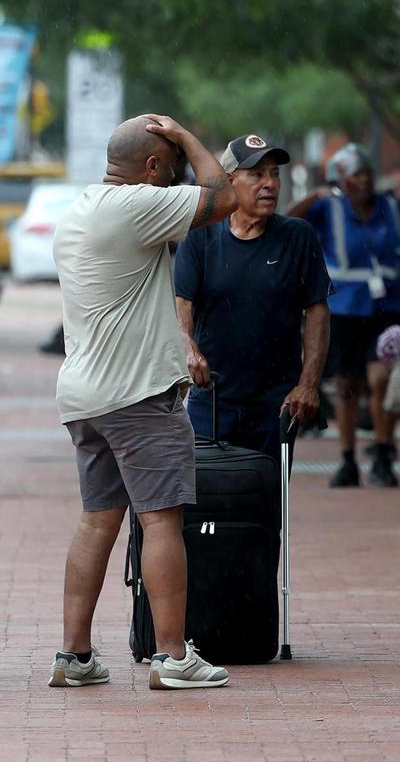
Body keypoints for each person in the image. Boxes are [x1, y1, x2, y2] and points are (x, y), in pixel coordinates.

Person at [49, 114, 235, 689]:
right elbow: (223, 196)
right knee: (161, 521)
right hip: (136, 395)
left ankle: (74, 658)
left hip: (85, 396)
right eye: (170, 164)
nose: (176, 171)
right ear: (152, 167)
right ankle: (174, 658)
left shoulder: (81, 208)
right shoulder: (136, 207)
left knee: (97, 522)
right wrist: (182, 134)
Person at [174, 134, 331, 464]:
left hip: (275, 405)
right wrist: (187, 346)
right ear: (230, 181)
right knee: (207, 506)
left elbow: (317, 310)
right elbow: (181, 301)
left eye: (274, 174)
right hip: (212, 400)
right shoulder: (201, 235)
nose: (270, 184)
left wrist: (308, 385)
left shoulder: (298, 237)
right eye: (257, 174)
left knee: (269, 507)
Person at [288, 144, 400, 488]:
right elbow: (288, 221)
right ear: (342, 180)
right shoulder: (328, 209)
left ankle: (382, 452)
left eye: (366, 173)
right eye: (355, 175)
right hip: (344, 309)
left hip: (386, 307)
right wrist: (314, 195)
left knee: (381, 380)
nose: (363, 181)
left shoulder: (390, 208)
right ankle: (348, 458)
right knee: (348, 385)